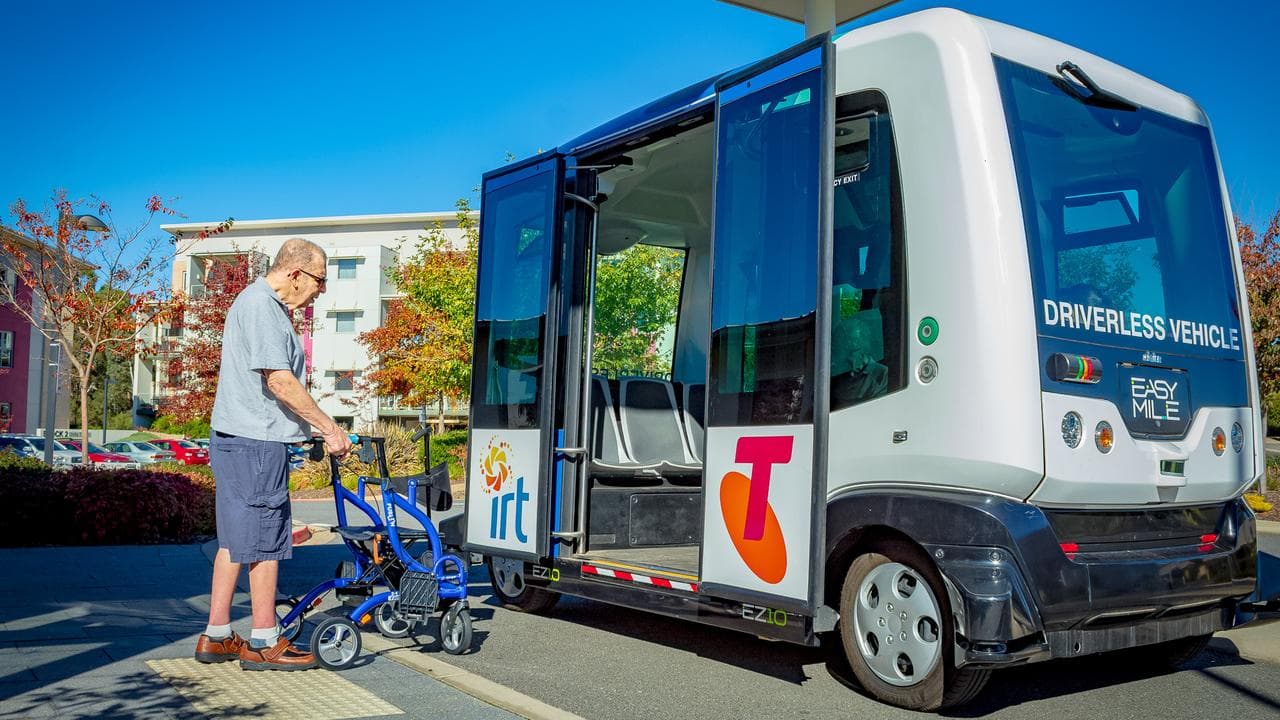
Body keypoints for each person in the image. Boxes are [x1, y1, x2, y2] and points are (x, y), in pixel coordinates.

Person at [194, 238, 353, 671]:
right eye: (320, 280)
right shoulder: (263, 306)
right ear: (296, 273)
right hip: (256, 442)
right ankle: (265, 640)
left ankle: (217, 633)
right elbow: (279, 381)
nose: (321, 290)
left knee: (236, 539)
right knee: (266, 538)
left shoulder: (256, 303)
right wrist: (329, 427)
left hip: (236, 437)